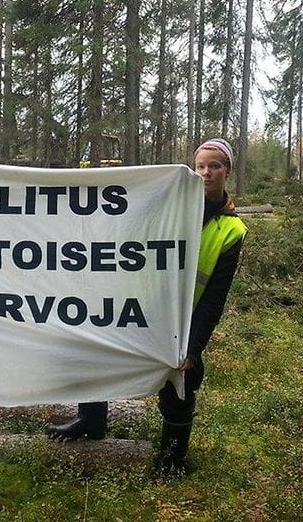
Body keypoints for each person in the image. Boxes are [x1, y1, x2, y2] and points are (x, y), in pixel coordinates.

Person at [46, 137, 247, 475]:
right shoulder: (171, 203)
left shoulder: (231, 230)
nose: (206, 172)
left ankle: (173, 457)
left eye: (214, 166)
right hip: (139, 303)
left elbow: (214, 301)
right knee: (95, 349)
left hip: (181, 320)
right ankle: (90, 420)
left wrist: (194, 349)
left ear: (227, 171)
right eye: (200, 166)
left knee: (182, 378)